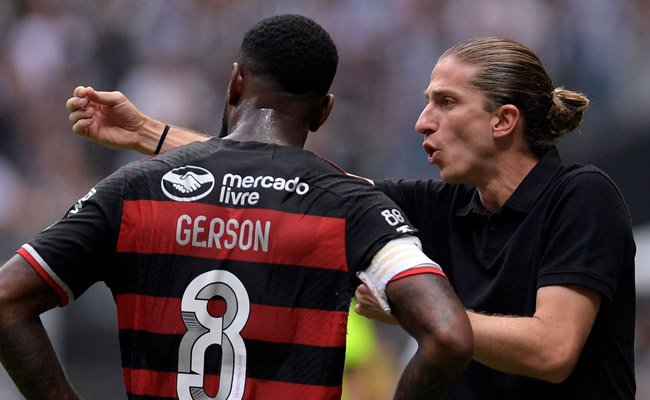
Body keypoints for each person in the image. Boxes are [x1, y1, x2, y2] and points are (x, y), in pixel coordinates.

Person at [72, 36, 637, 399]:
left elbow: (552, 350)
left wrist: (416, 314)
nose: (422, 121)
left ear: (503, 120)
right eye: (426, 101)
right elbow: (290, 185)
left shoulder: (581, 196)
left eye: (445, 102)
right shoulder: (441, 203)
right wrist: (150, 134)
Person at [0, 14, 474, 400]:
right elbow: (450, 336)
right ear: (324, 111)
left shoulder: (133, 190)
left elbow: (6, 299)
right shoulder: (352, 207)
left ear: (234, 82)